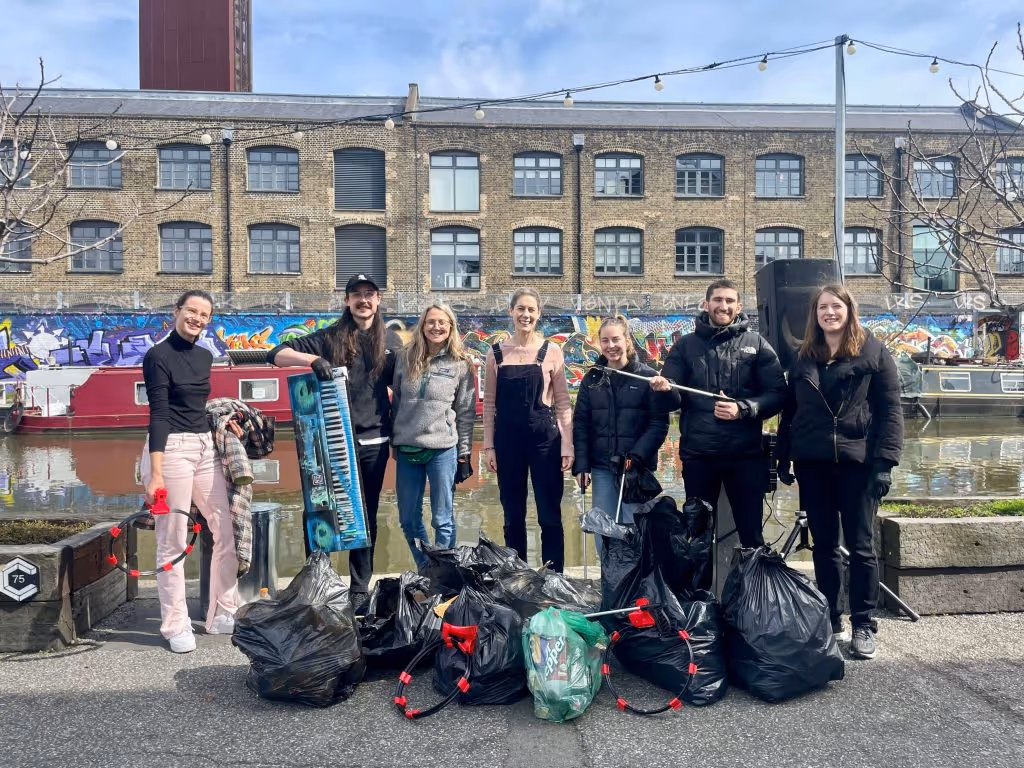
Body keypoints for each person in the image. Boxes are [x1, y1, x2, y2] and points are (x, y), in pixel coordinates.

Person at [774, 284, 904, 660]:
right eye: (822, 308)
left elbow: (891, 412)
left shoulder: (873, 352)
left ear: (849, 310)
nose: (829, 313)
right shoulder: (804, 357)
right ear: (815, 315)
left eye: (836, 306)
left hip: (858, 463)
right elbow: (791, 412)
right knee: (824, 546)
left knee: (862, 547)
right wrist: (784, 456)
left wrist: (885, 464)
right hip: (813, 464)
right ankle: (831, 618)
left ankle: (863, 622)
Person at [267, 274, 401, 604]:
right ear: (347, 301)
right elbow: (276, 353)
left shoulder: (393, 341)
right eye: (356, 295)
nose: (363, 300)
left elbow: (406, 387)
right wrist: (312, 360)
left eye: (369, 294)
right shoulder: (329, 337)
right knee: (319, 511)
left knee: (365, 514)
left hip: (374, 442)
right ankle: (319, 579)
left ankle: (358, 589)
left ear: (378, 300)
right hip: (330, 442)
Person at [650, 278, 786, 548]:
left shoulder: (756, 344)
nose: (722, 306)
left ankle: (752, 589)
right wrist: (663, 390)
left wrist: (743, 409)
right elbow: (671, 401)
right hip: (700, 456)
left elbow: (778, 395)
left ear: (738, 306)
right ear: (706, 303)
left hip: (746, 457)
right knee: (697, 538)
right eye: (717, 300)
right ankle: (698, 591)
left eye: (728, 301)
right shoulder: (685, 346)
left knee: (752, 537)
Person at [141, 289, 241, 653]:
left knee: (226, 526)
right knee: (173, 539)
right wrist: (156, 474)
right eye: (191, 311)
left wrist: (221, 421)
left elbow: (196, 403)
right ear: (177, 311)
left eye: (204, 314)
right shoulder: (157, 357)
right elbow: (160, 414)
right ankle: (175, 624)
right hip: (172, 452)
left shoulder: (204, 355)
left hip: (204, 446)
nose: (197, 318)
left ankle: (221, 612)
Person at [483, 287, 572, 571]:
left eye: (531, 309)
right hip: (507, 443)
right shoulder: (495, 354)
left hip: (545, 442)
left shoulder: (552, 351)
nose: (526, 314)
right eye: (521, 308)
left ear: (538, 314)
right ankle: (516, 575)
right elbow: (489, 406)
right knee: (512, 514)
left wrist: (567, 444)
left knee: (550, 514)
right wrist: (488, 446)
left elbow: (562, 402)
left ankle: (553, 574)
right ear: (511, 312)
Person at [391, 303, 477, 566]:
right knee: (408, 519)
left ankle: (442, 573)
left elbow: (465, 411)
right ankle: (426, 567)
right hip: (407, 448)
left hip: (443, 449)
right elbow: (396, 402)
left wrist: (464, 454)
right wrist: (394, 441)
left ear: (450, 327)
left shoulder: (461, 364)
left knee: (442, 519)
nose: (436, 327)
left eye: (442, 322)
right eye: (431, 322)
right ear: (422, 325)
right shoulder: (404, 357)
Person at [572, 315, 668, 547]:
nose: (611, 346)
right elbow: (581, 423)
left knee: (635, 530)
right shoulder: (592, 379)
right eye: (605, 340)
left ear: (626, 341)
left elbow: (658, 424)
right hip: (602, 466)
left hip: (635, 469)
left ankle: (636, 581)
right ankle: (609, 580)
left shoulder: (647, 377)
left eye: (616, 339)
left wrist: (636, 456)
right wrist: (581, 465)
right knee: (603, 529)